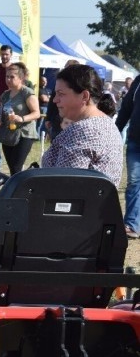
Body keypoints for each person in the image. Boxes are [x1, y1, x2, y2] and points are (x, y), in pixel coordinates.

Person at [42, 64, 122, 186]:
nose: (55, 100)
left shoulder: (84, 131)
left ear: (84, 96)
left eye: (61, 94)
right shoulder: (106, 124)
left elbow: (64, 184)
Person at [0, 62, 39, 175]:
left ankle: (23, 187)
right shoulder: (5, 94)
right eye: (7, 76)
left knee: (16, 167)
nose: (8, 79)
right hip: (8, 134)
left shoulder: (27, 93)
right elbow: (3, 113)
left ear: (21, 78)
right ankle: (20, 187)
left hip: (24, 134)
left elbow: (37, 113)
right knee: (12, 169)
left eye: (12, 77)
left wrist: (21, 118)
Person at [116, 74, 140, 238]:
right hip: (135, 141)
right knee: (134, 181)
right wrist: (115, 132)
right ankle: (132, 224)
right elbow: (125, 108)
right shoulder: (138, 81)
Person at [45, 59, 80, 140]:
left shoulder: (80, 84)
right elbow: (52, 102)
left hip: (74, 119)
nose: (65, 70)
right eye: (65, 67)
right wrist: (48, 118)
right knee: (56, 142)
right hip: (58, 118)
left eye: (68, 68)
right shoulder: (59, 82)